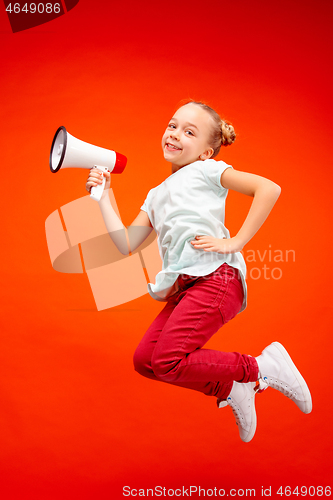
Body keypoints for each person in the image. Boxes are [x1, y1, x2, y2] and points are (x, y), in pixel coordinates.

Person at [85, 100, 312, 443]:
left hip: (216, 278)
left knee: (167, 359)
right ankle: (230, 389)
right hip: (187, 286)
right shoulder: (156, 194)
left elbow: (269, 188)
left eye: (188, 132)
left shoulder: (206, 171)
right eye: (172, 125)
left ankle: (264, 367)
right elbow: (126, 243)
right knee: (146, 360)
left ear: (207, 151)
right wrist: (103, 198)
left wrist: (235, 241)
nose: (175, 134)